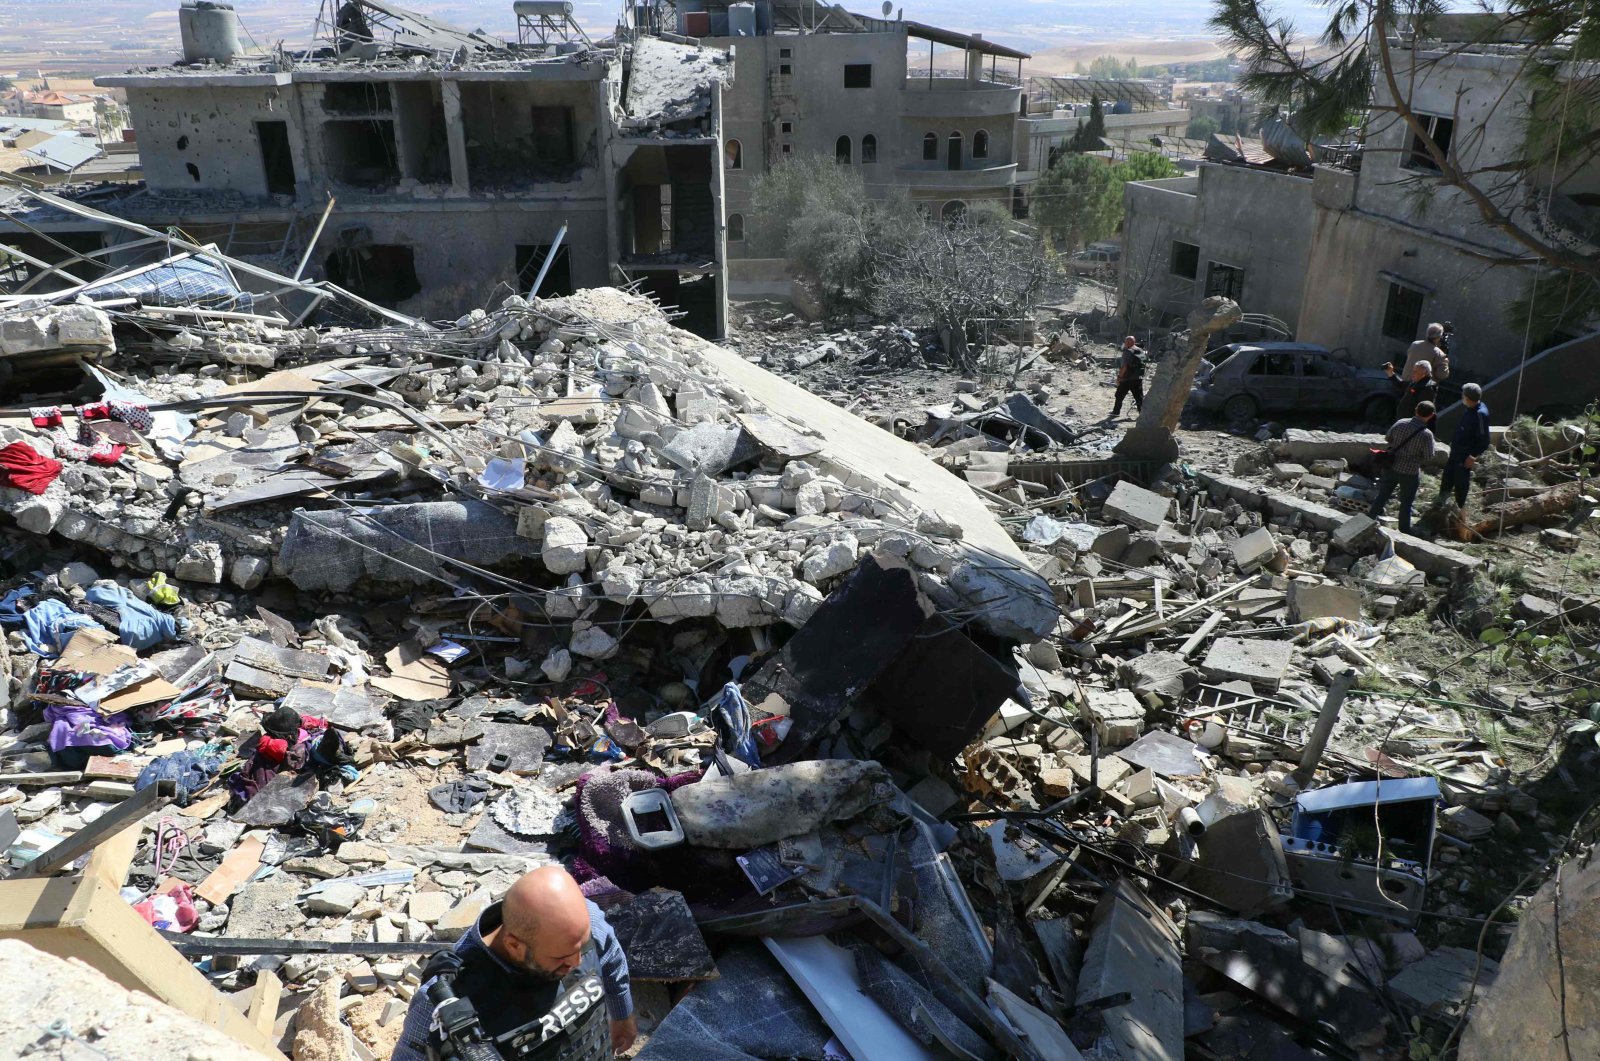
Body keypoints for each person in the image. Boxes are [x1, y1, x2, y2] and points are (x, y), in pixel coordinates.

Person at [393, 866, 636, 1061]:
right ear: (514, 945)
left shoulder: (580, 922)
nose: (577, 961)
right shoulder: (443, 1000)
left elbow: (611, 957)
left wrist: (622, 1014)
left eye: (581, 947)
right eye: (561, 958)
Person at [1368, 400, 1437, 536]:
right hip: (1410, 472)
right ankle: (1404, 529)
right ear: (1431, 415)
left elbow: (1388, 438)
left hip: (1390, 465)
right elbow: (1429, 456)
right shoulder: (1427, 434)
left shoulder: (1401, 423)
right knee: (1406, 502)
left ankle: (1370, 519)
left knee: (1383, 495)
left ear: (1416, 410)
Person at [1438, 382, 1491, 511]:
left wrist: (1473, 456)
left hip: (1465, 455)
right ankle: (1440, 503)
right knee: (1447, 478)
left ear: (1467, 397)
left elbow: (1484, 440)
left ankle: (1460, 508)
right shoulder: (1470, 409)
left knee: (1461, 483)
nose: (1461, 397)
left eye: (1463, 395)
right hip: (1456, 452)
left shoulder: (1480, 414)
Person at [1384, 358, 1438, 424]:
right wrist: (1391, 373)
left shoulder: (1427, 388)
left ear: (1424, 374)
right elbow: (1402, 385)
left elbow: (1424, 412)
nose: (1412, 373)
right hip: (1403, 420)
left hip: (1411, 424)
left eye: (1415, 372)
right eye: (1413, 371)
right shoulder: (1416, 382)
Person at [1111, 335, 1145, 418]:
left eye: (1125, 342)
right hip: (1137, 378)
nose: (1124, 343)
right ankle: (1143, 414)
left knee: (1119, 395)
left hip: (1127, 378)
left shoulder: (1128, 351)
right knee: (1139, 397)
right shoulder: (1140, 350)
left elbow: (1124, 366)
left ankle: (1116, 412)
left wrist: (1119, 377)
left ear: (1129, 342)